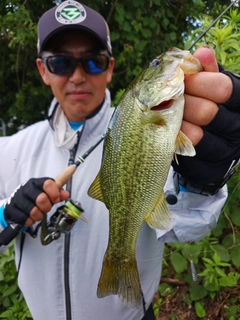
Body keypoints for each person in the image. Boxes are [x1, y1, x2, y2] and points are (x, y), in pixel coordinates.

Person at [0, 1, 240, 319]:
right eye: (60, 62)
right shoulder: (10, 149)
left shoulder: (148, 123)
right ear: (43, 70)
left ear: (110, 67)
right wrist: (6, 214)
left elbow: (188, 224)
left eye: (93, 62)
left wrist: (202, 182)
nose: (77, 76)